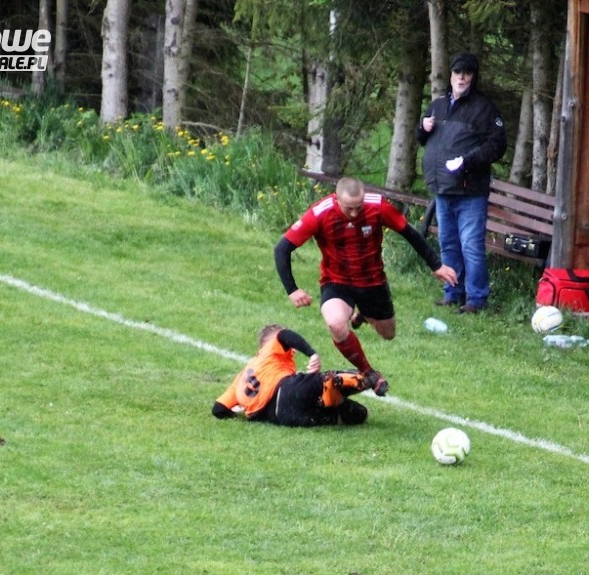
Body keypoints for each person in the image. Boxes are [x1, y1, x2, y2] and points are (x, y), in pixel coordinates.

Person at [275, 177, 457, 391]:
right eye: (349, 208)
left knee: (388, 334)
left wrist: (436, 265)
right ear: (336, 199)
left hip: (373, 282)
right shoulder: (320, 213)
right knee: (335, 324)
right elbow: (282, 248)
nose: (354, 213)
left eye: (358, 207)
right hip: (336, 282)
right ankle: (369, 373)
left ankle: (362, 314)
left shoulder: (377, 207)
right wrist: (292, 290)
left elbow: (409, 233)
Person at [416, 53, 507, 314]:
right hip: (443, 188)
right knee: (448, 243)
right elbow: (422, 139)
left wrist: (467, 161)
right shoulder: (438, 105)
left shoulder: (484, 108)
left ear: (473, 77)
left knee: (471, 246)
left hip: (470, 191)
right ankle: (453, 292)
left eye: (467, 73)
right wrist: (422, 128)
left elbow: (497, 145)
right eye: (458, 72)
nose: (462, 77)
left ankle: (476, 298)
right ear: (451, 76)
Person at [211, 324, 381, 427]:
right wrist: (312, 354)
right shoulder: (269, 349)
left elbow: (218, 409)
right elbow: (285, 335)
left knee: (358, 414)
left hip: (281, 416)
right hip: (287, 388)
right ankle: (361, 379)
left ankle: (332, 399)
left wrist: (239, 414)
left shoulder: (241, 377)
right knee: (328, 379)